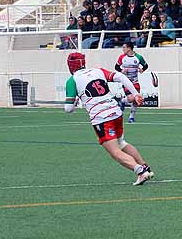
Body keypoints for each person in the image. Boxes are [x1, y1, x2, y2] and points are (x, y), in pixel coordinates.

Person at [63, 51, 153, 186]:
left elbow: (68, 109)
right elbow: (121, 77)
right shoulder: (98, 71)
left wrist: (76, 100)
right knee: (122, 143)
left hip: (101, 117)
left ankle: (140, 171)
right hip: (116, 112)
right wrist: (135, 94)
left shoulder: (72, 80)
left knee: (115, 152)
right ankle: (145, 167)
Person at [114, 41, 149, 123]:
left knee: (136, 99)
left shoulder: (138, 57)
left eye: (124, 47)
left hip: (135, 81)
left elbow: (146, 65)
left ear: (129, 48)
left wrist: (142, 70)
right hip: (126, 81)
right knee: (131, 98)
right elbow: (116, 67)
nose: (123, 49)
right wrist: (122, 70)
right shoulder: (122, 57)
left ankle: (131, 117)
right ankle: (122, 101)